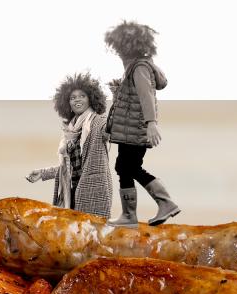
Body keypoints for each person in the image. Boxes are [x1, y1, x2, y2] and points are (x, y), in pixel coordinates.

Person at [104, 20, 180, 227]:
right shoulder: (136, 68)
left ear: (128, 48)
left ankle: (164, 204)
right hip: (130, 129)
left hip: (135, 130)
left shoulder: (139, 68)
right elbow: (136, 97)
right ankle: (130, 215)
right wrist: (119, 90)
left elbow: (146, 96)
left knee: (129, 167)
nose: (118, 53)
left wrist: (151, 123)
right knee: (125, 167)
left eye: (119, 49)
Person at [27, 73, 112, 219]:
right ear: (68, 104)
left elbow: (110, 129)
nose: (77, 99)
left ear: (91, 99)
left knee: (91, 238)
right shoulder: (69, 132)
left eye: (82, 96)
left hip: (93, 194)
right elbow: (69, 168)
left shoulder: (98, 122)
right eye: (73, 97)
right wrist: (42, 173)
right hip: (71, 194)